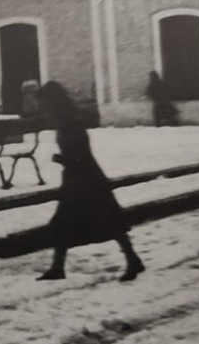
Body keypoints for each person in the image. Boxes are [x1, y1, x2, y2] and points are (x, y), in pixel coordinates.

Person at [34, 81, 145, 283]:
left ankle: (133, 259)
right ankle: (58, 267)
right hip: (82, 179)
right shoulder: (68, 123)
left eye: (44, 105)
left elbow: (80, 156)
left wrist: (60, 159)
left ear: (53, 104)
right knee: (70, 223)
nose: (42, 110)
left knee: (105, 221)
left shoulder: (70, 126)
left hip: (85, 181)